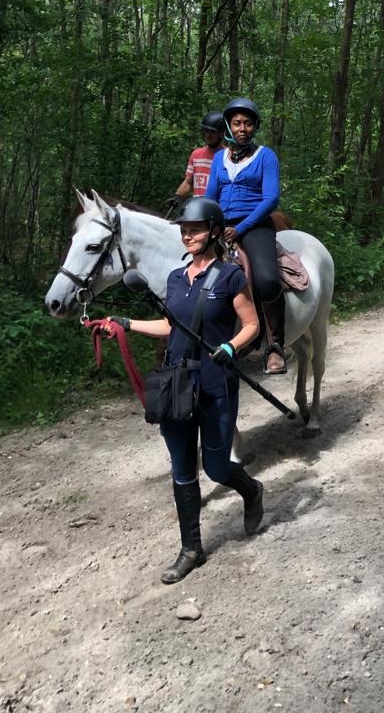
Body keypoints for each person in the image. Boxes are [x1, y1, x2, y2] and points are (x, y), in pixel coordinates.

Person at [108, 196, 263, 584]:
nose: (187, 235)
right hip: (177, 384)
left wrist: (232, 345)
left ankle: (252, 489)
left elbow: (251, 325)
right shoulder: (177, 278)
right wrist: (126, 323)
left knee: (215, 467)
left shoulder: (230, 277)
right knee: (182, 472)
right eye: (183, 229)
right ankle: (191, 548)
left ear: (212, 231)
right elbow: (171, 325)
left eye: (194, 229)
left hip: (215, 384)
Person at [205, 98, 287, 374]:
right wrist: (207, 224)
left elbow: (271, 199)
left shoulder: (266, 156)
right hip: (221, 226)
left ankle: (275, 345)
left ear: (255, 127)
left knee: (266, 278)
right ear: (228, 126)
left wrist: (239, 229)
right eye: (237, 123)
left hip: (255, 225)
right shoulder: (219, 159)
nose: (243, 128)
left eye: (248, 123)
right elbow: (210, 197)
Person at [169, 112, 225, 208]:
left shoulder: (227, 156)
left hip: (217, 209)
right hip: (197, 208)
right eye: (206, 131)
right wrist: (177, 197)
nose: (208, 135)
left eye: (213, 132)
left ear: (221, 134)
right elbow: (188, 182)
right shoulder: (196, 154)